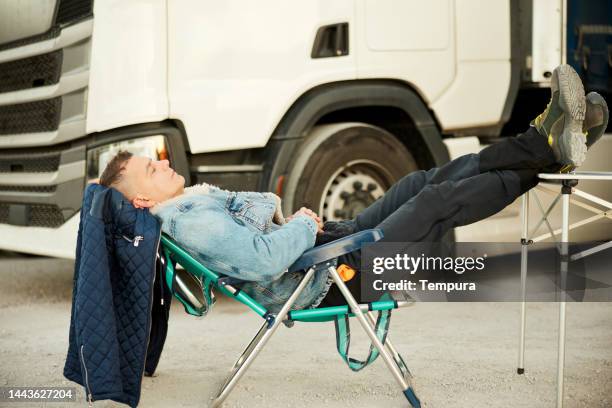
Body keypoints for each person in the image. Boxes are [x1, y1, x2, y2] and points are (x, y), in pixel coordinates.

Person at [98, 65, 608, 312]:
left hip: (332, 249)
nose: (162, 166)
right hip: (336, 275)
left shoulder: (183, 206)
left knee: (416, 182)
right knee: (435, 200)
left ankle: (544, 144)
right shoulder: (186, 218)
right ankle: (545, 147)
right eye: (151, 171)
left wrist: (303, 228)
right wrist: (299, 224)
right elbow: (259, 262)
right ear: (142, 200)